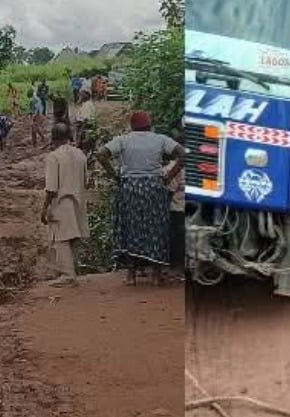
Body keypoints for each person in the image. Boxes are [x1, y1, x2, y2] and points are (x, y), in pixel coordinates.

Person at [96, 110, 185, 286]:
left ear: (131, 126)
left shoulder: (123, 140)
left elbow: (101, 154)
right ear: (149, 125)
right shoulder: (160, 139)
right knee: (157, 229)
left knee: (130, 228)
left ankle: (131, 275)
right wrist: (168, 177)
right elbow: (183, 154)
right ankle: (156, 275)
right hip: (154, 188)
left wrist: (114, 175)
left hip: (130, 187)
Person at [41, 121, 89, 285]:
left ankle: (68, 275)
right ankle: (71, 270)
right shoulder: (80, 154)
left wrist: (45, 208)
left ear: (53, 138)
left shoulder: (53, 157)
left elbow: (51, 188)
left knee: (60, 238)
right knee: (74, 236)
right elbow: (86, 180)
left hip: (62, 202)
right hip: (78, 199)